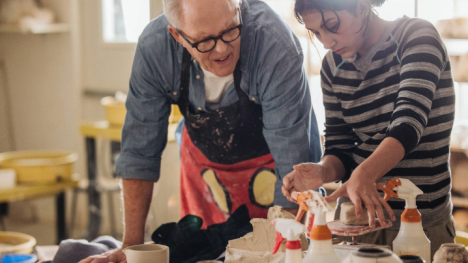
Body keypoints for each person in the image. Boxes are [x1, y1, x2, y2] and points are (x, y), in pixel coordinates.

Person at [80, 0, 322, 262]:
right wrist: (130, 247)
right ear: (177, 35)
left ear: (239, 6)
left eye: (230, 30)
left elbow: (292, 164)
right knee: (206, 253)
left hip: (275, 175)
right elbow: (139, 152)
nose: (221, 48)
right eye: (204, 41)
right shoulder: (155, 48)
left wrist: (285, 249)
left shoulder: (274, 44)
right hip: (206, 176)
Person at [282, 0, 456, 258]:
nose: (327, 42)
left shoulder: (416, 36)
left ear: (361, 6)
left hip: (419, 222)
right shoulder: (332, 67)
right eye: (317, 32)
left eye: (332, 25)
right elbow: (340, 146)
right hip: (353, 223)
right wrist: (322, 172)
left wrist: (364, 173)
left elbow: (408, 123)